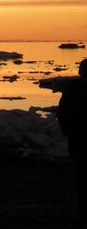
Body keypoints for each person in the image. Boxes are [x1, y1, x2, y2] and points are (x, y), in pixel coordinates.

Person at [58, 58, 87, 227]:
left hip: (78, 139)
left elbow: (63, 112)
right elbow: (64, 113)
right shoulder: (73, 89)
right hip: (78, 139)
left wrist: (68, 132)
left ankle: (83, 214)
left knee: (82, 179)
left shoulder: (73, 88)